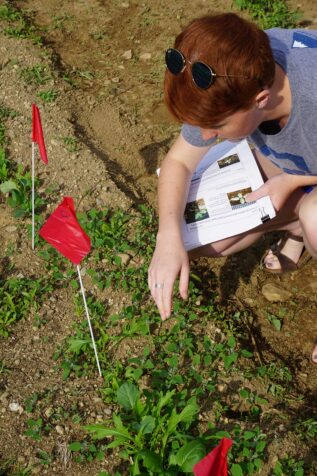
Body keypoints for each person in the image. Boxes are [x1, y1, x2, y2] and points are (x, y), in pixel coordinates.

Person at [147, 13, 317, 364]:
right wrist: (167, 238)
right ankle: (296, 227)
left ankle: (305, 220)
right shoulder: (228, 74)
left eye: (217, 127)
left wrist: (292, 181)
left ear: (260, 99)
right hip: (301, 160)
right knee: (210, 240)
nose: (206, 137)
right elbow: (179, 162)